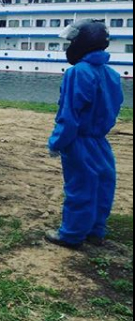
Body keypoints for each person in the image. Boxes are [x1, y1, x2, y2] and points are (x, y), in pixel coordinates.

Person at [46, 19, 124, 248]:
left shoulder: (78, 73)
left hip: (79, 140)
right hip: (100, 141)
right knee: (103, 184)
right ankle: (96, 231)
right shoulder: (112, 75)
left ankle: (71, 235)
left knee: (80, 186)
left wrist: (56, 142)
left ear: (82, 43)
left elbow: (69, 115)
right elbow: (113, 108)